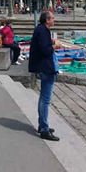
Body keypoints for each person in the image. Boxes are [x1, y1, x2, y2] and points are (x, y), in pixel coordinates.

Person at [28, 11, 60, 141]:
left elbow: (43, 45)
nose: (54, 20)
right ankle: (44, 130)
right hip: (45, 68)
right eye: (52, 18)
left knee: (43, 99)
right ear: (47, 20)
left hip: (42, 67)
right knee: (45, 100)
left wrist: (50, 41)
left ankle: (43, 125)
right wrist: (55, 45)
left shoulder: (41, 30)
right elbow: (46, 50)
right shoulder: (42, 31)